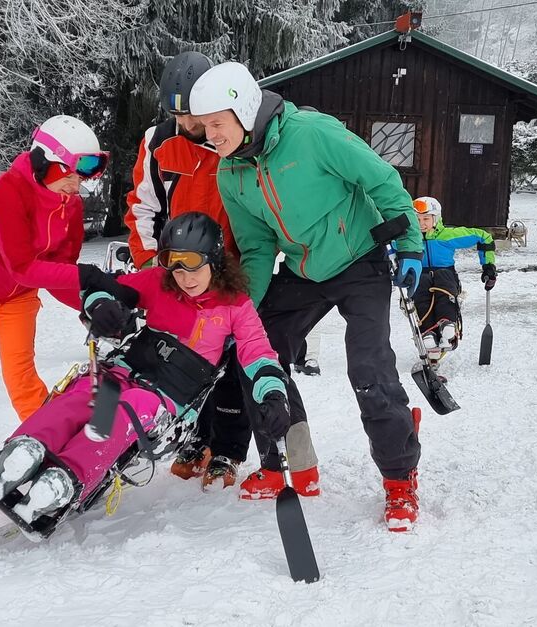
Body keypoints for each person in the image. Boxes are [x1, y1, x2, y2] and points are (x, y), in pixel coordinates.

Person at [189, 61, 424, 531]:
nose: (209, 136)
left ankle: (400, 478)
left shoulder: (312, 134)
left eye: (216, 124)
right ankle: (292, 464)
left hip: (360, 260)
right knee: (258, 356)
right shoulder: (230, 172)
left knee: (368, 368)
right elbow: (257, 247)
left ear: (244, 110)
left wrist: (411, 242)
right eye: (204, 126)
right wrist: (243, 312)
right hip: (303, 270)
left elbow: (380, 179)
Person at [0, 213, 292, 523]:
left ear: (215, 261)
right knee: (85, 394)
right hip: (128, 368)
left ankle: (65, 477)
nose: (185, 278)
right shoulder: (159, 283)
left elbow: (258, 354)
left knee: (124, 409)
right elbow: (107, 287)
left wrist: (273, 395)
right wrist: (102, 306)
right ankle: (25, 450)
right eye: (175, 265)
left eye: (194, 265)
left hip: (169, 394)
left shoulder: (235, 305)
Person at [0, 114, 134, 490]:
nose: (77, 185)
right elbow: (23, 266)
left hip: (16, 296)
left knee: (20, 375)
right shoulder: (10, 190)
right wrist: (87, 277)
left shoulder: (70, 206)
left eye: (82, 176)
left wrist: (92, 303)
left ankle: (50, 444)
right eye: (70, 173)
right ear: (43, 162)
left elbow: (60, 274)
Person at [124, 51, 250, 490]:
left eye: (192, 114)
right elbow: (142, 208)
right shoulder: (158, 141)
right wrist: (149, 266)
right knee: (186, 358)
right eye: (177, 115)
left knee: (232, 363)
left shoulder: (233, 138)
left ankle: (228, 448)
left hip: (229, 271)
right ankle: (196, 438)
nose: (187, 123)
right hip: (179, 270)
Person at [410, 197, 496, 365]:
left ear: (436, 218)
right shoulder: (409, 239)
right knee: (420, 289)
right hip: (420, 277)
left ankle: (447, 324)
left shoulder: (447, 235)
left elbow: (484, 237)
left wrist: (488, 266)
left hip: (446, 276)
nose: (421, 224)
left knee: (443, 284)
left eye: (426, 219)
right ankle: (427, 332)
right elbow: (388, 247)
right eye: (417, 219)